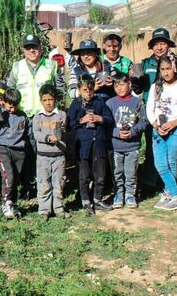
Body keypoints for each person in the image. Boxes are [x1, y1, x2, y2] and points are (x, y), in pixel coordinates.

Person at [139, 28, 177, 195]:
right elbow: (140, 91)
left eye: (162, 43)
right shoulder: (145, 64)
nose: (159, 47)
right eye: (156, 44)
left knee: (171, 159)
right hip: (155, 120)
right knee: (153, 155)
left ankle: (170, 192)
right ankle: (151, 185)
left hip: (175, 122)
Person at [7, 34, 63, 199]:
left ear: (41, 48)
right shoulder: (17, 66)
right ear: (23, 50)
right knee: (24, 153)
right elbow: (10, 89)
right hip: (22, 117)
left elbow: (60, 89)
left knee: (45, 152)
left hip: (45, 117)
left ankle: (45, 187)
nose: (32, 50)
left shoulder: (51, 65)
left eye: (35, 47)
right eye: (28, 47)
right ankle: (27, 186)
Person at [146, 54, 177, 210]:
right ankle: (173, 194)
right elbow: (150, 108)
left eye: (168, 69)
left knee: (171, 161)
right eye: (162, 69)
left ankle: (174, 196)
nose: (166, 73)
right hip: (158, 129)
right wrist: (155, 124)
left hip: (176, 129)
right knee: (160, 163)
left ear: (175, 69)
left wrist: (174, 123)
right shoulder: (156, 87)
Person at [68, 75, 114, 215]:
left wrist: (99, 118)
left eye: (91, 90)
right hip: (83, 145)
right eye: (85, 90)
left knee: (100, 174)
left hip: (98, 143)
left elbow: (109, 120)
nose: (88, 93)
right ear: (79, 90)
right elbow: (70, 124)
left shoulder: (99, 102)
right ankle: (85, 201)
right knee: (84, 174)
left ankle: (98, 199)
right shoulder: (76, 104)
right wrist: (81, 120)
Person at [106, 72, 148, 209]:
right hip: (116, 146)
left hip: (132, 146)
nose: (119, 88)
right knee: (117, 172)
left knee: (131, 172)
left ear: (129, 84)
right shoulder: (110, 103)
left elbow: (144, 121)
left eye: (122, 84)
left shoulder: (137, 102)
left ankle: (130, 194)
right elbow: (106, 124)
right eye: (116, 85)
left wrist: (133, 132)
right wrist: (117, 132)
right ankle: (118, 193)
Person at [0, 88, 30, 219]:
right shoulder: (0, 114)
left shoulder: (23, 116)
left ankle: (13, 203)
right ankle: (5, 202)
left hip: (18, 150)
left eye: (15, 106)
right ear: (4, 102)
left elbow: (27, 133)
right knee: (8, 175)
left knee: (15, 178)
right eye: (9, 106)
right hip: (2, 148)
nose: (12, 109)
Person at [33, 84, 69, 220]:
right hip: (42, 157)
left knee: (59, 184)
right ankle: (44, 210)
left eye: (51, 99)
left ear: (55, 100)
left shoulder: (62, 115)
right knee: (43, 184)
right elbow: (36, 134)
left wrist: (63, 130)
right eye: (45, 100)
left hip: (59, 156)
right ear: (41, 101)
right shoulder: (38, 117)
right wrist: (47, 138)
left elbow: (63, 132)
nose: (48, 102)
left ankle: (59, 209)